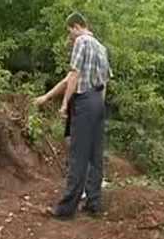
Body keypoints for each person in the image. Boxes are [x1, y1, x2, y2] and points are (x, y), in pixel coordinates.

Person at [34, 12, 110, 219]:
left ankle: (65, 210)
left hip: (84, 101)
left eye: (70, 32)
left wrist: (65, 104)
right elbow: (104, 83)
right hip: (98, 103)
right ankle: (93, 203)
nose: (70, 37)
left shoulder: (81, 42)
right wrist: (47, 97)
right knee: (95, 156)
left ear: (76, 26)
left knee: (78, 156)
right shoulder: (101, 48)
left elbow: (74, 75)